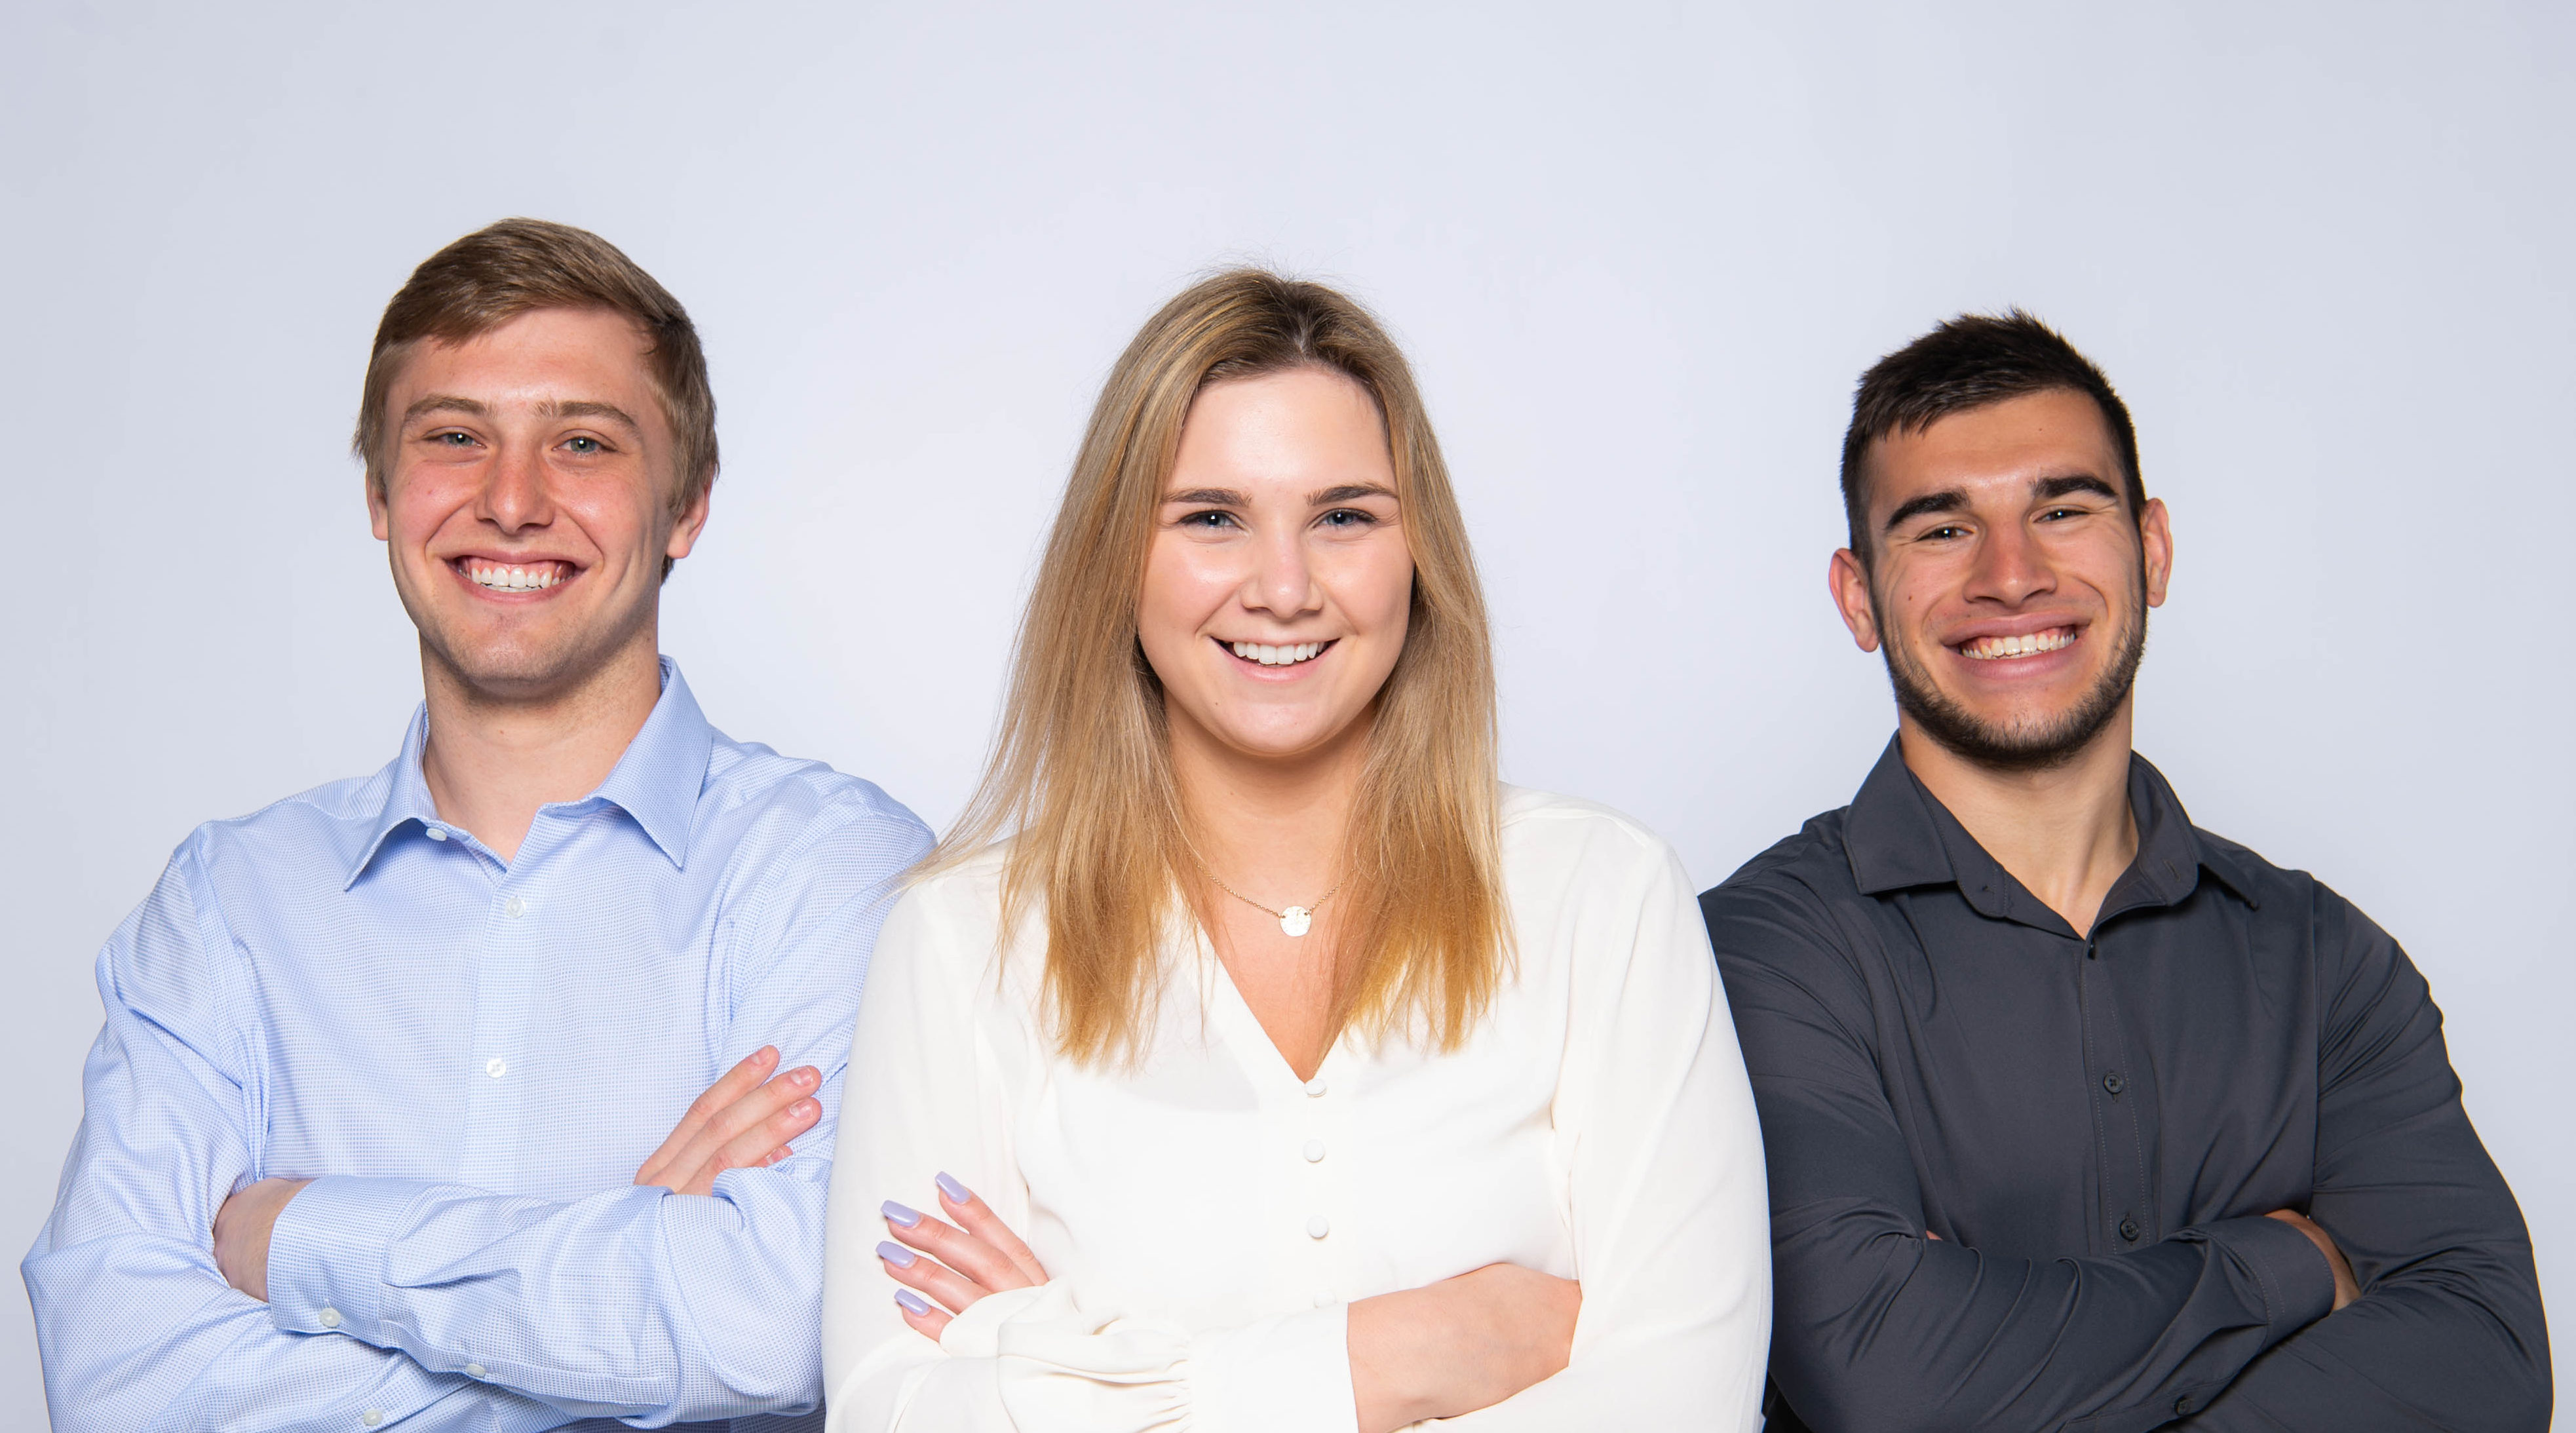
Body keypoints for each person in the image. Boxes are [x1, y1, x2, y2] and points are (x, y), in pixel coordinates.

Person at [818, 270, 1771, 1431]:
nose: (1282, 588)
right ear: (1117, 557)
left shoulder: (1603, 897)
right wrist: (1393, 1357)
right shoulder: (964, 939)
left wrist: (1096, 1378)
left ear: (1419, 555)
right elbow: (893, 1415)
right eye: (1211, 518)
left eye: (1344, 517)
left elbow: (1687, 1407)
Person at [24, 218, 931, 1432]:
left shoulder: (835, 872)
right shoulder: (226, 906)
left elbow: (780, 1327)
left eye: (583, 442)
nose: (511, 502)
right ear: (379, 494)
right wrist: (627, 1287)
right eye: (453, 437)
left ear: (687, 505)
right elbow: (119, 1385)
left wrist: (304, 1236)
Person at [1702, 311, 2551, 1431]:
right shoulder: (1757, 957)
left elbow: (2486, 1365)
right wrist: (2287, 1266)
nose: (2012, 576)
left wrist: (1993, 1340)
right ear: (1859, 597)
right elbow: (1886, 1377)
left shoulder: (2323, 963)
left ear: (2152, 550)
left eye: (2063, 510)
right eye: (1943, 529)